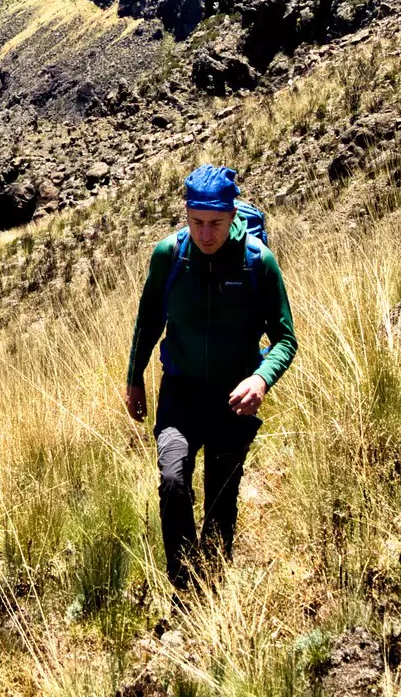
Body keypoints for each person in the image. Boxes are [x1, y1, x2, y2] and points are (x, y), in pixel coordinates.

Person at [122, 163, 297, 591]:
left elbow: (285, 340)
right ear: (186, 214)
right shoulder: (170, 256)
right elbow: (148, 322)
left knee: (221, 501)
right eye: (196, 222)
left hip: (232, 399)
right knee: (173, 481)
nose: (205, 234)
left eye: (216, 223)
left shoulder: (258, 262)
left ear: (233, 214)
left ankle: (212, 588)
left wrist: (261, 380)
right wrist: (134, 378)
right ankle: (183, 590)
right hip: (180, 393)